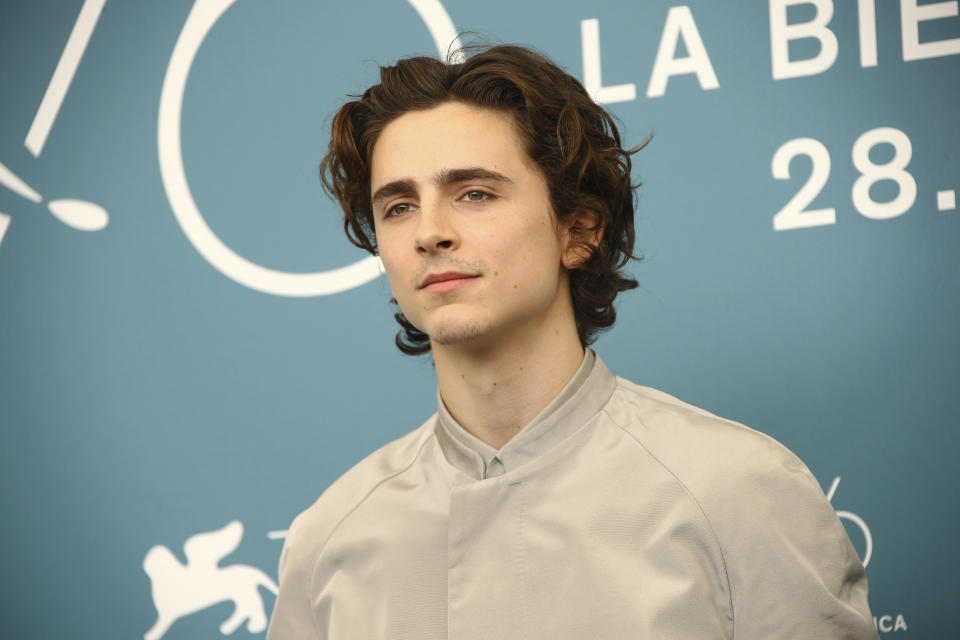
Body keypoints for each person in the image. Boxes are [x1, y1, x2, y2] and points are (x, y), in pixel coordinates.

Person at [267, 44, 878, 639]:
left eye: (474, 193)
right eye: (398, 206)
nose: (429, 232)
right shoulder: (329, 540)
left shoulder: (737, 492)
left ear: (579, 231)